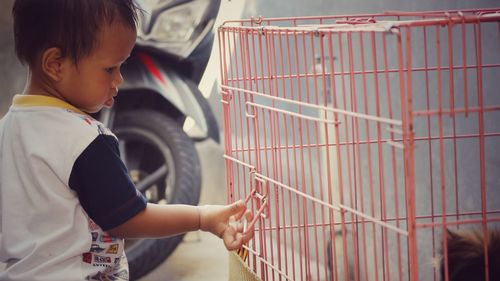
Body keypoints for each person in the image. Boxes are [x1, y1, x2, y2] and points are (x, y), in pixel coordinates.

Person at [0, 0, 253, 280]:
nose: (118, 79)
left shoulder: (5, 131)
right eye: (110, 68)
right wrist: (202, 218)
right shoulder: (84, 140)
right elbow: (130, 218)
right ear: (55, 65)